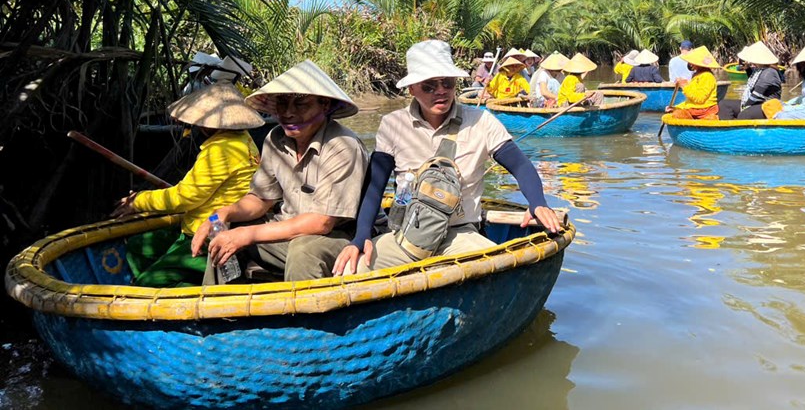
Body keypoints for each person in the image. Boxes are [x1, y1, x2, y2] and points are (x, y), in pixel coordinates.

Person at [333, 40, 562, 275]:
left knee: (493, 271)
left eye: (447, 83)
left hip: (459, 235)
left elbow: (520, 165)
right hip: (407, 236)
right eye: (429, 86)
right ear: (411, 89)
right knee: (353, 269)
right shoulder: (393, 124)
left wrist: (538, 203)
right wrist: (360, 238)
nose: (441, 90)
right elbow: (374, 186)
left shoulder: (481, 122)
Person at [191, 60, 368, 282]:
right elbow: (261, 199)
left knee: (303, 251)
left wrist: (247, 235)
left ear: (324, 105)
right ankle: (217, 310)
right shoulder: (275, 139)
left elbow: (322, 223)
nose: (288, 113)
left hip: (339, 238)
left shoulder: (342, 145)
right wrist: (222, 214)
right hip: (286, 230)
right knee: (223, 239)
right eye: (282, 104)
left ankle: (303, 316)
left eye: (301, 104)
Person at [112, 83, 264, 287]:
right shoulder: (244, 139)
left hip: (210, 234)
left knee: (149, 283)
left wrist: (138, 201)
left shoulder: (222, 149)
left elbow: (184, 197)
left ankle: (174, 291)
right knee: (140, 246)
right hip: (196, 224)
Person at [718, 41, 784, 120]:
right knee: (724, 105)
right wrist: (747, 69)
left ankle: (741, 129)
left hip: (767, 105)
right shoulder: (758, 70)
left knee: (744, 115)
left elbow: (756, 95)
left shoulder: (769, 72)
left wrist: (745, 106)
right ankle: (729, 130)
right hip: (757, 103)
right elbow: (753, 82)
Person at [668, 46, 720, 120]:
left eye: (692, 62)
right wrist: (674, 108)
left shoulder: (707, 76)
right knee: (677, 113)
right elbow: (690, 102)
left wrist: (685, 86)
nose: (690, 63)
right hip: (694, 110)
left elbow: (699, 99)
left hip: (705, 111)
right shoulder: (696, 75)